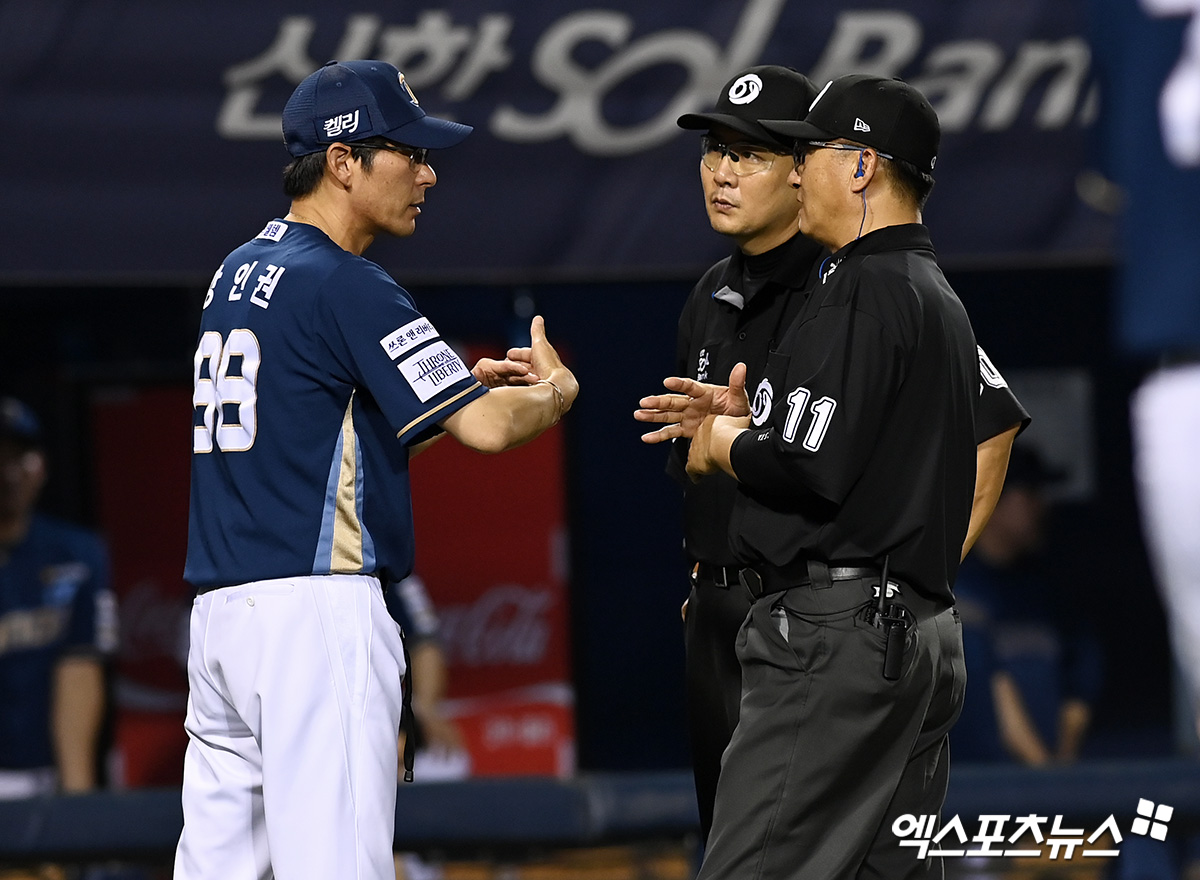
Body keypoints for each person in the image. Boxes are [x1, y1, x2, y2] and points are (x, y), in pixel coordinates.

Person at [177, 60, 578, 880]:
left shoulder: (237, 271)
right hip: (314, 618)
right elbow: (494, 431)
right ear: (342, 160)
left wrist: (437, 397)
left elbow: (322, 439)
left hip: (223, 620)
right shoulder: (349, 283)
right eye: (407, 152)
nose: (428, 174)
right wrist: (558, 393)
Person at [636, 67, 1027, 844]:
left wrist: (902, 585)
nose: (723, 171)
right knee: (749, 837)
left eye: (754, 153)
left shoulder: (859, 280)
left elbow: (991, 426)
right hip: (731, 609)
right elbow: (740, 458)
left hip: (822, 613)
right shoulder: (714, 292)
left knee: (767, 856)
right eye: (716, 149)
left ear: (803, 169)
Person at [952, 444, 1102, 765]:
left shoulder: (1046, 591)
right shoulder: (955, 590)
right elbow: (993, 691)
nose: (1042, 506)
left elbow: (1081, 679)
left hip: (1051, 788)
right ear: (993, 497)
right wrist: (1043, 773)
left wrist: (1062, 763)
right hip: (983, 795)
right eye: (1031, 492)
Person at [0, 396, 116, 800]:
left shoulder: (76, 554)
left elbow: (80, 672)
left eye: (21, 456)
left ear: (42, 466)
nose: (9, 471)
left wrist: (77, 804)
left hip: (46, 784)